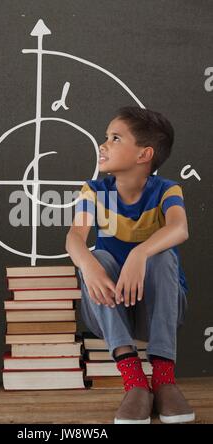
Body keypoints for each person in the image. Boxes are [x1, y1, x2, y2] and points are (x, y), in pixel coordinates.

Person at [65, 106, 195, 424]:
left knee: (162, 254)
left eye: (115, 137)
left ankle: (164, 379)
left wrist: (140, 254)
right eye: (105, 137)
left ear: (143, 154)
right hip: (112, 309)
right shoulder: (97, 192)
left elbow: (180, 228)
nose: (103, 144)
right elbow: (75, 237)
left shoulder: (166, 190)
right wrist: (90, 265)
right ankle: (135, 381)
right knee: (99, 257)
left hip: (159, 310)